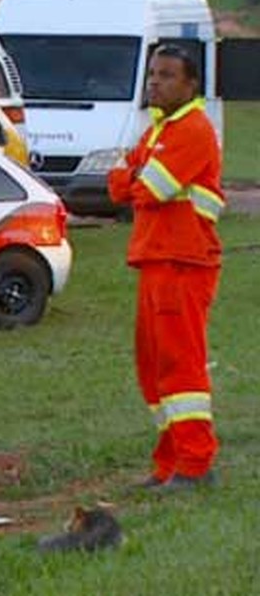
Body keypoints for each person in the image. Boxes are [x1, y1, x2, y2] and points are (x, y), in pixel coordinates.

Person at [107, 45, 224, 490]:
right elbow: (119, 185)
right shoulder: (159, 130)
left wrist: (132, 175)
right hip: (157, 259)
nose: (155, 81)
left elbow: (149, 188)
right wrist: (131, 176)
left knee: (180, 365)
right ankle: (170, 462)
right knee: (153, 367)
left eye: (168, 75)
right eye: (153, 74)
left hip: (183, 262)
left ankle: (195, 465)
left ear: (191, 84)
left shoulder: (192, 129)